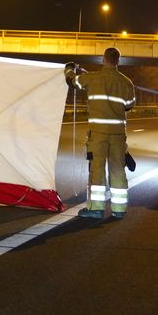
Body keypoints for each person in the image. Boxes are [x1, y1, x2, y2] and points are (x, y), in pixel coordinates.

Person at [64, 47, 136, 220]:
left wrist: (69, 68)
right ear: (118, 61)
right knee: (118, 170)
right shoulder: (126, 82)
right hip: (118, 135)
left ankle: (96, 208)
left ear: (103, 59)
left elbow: (73, 82)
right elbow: (129, 105)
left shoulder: (93, 78)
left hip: (98, 134)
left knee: (97, 169)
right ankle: (119, 209)